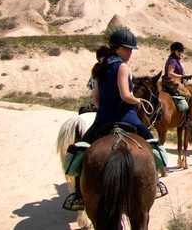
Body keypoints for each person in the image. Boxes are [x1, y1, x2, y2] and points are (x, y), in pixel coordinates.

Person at [64, 29, 165, 211]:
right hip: (127, 117)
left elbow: (95, 100)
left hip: (103, 119)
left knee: (82, 149)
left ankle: (78, 194)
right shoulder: (123, 67)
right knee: (153, 144)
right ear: (117, 48)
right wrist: (138, 101)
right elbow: (126, 95)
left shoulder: (100, 68)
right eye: (127, 49)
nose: (130, 52)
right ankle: (156, 183)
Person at [163, 41, 192, 123]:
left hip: (171, 81)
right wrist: (182, 76)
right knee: (189, 96)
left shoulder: (174, 60)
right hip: (172, 82)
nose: (180, 53)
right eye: (178, 51)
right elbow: (170, 73)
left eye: (181, 51)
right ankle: (187, 119)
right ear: (173, 51)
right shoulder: (173, 61)